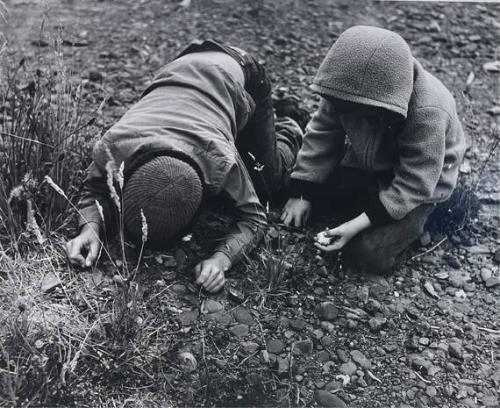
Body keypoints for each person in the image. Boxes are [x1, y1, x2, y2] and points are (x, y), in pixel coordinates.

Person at [66, 40, 303, 292]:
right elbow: (93, 190)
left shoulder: (221, 159)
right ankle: (264, 124)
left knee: (268, 182)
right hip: (182, 65)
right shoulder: (115, 143)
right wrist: (89, 229)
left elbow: (255, 218)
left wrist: (221, 260)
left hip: (242, 72)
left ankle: (288, 125)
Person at [281, 26, 466, 273]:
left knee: (367, 256)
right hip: (371, 164)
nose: (343, 111)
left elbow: (415, 183)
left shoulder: (428, 112)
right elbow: (323, 132)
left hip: (421, 187)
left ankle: (418, 223)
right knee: (289, 191)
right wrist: (303, 192)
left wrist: (357, 225)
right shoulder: (342, 88)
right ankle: (364, 205)